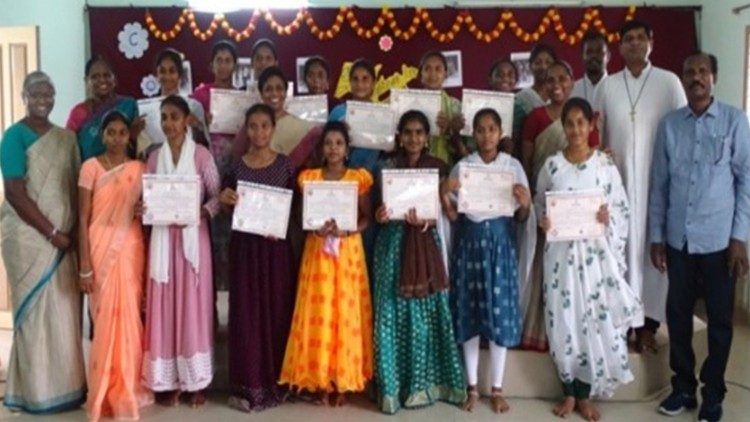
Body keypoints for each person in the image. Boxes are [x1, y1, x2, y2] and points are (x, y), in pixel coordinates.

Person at [650, 52, 750, 422]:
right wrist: (657, 236)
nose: (696, 77)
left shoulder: (734, 122)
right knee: (677, 317)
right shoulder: (670, 125)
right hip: (679, 242)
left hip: (720, 244)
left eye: (703, 71)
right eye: (689, 71)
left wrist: (739, 238)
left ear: (714, 77)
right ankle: (683, 388)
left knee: (720, 322)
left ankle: (714, 393)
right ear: (683, 78)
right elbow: (659, 185)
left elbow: (746, 184)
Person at [536, 98, 641, 421]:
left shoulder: (604, 166)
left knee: (590, 320)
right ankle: (568, 393)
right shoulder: (552, 166)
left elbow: (621, 208)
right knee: (562, 321)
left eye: (582, 122)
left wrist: (608, 217)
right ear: (563, 127)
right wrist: (545, 221)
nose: (576, 129)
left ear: (591, 125)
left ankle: (585, 395)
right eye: (570, 123)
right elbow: (542, 205)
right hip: (561, 259)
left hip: (595, 258)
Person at [593, 20, 687, 352]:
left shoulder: (669, 82)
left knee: (653, 256)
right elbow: (598, 138)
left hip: (657, 185)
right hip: (618, 187)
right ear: (619, 48)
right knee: (619, 256)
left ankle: (648, 325)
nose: (634, 44)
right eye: (627, 39)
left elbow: (682, 132)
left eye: (640, 38)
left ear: (651, 42)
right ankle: (621, 324)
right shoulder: (608, 86)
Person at [0, 71, 86, 413]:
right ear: (23, 95)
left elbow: (74, 188)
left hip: (64, 241)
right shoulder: (13, 136)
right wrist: (53, 234)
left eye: (48, 92)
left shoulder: (66, 139)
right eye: (36, 92)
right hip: (29, 239)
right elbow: (15, 193)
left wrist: (73, 237)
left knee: (64, 315)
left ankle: (67, 388)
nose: (43, 98)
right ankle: (33, 392)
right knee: (34, 317)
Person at [372, 110, 466, 414]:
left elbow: (449, 212)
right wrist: (380, 215)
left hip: (425, 244)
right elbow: (374, 210)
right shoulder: (385, 167)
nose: (413, 138)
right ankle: (391, 389)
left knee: (425, 315)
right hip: (391, 248)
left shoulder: (437, 168)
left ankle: (422, 386)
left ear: (427, 138)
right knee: (389, 312)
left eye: (419, 133)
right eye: (408, 132)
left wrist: (429, 219)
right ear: (399, 136)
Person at [442, 108, 532, 413]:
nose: (486, 135)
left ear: (501, 132)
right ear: (473, 133)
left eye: (492, 129)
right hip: (469, 247)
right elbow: (453, 215)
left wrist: (525, 203)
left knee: (499, 313)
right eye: (480, 129)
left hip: (500, 248)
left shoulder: (513, 166)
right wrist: (445, 192)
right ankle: (472, 389)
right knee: (469, 313)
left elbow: (522, 216)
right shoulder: (463, 167)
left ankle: (496, 388)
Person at [279, 122, 373, 407]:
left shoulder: (359, 178)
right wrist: (313, 229)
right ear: (321, 148)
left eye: (339, 143)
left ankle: (343, 380)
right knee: (318, 312)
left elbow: (366, 218)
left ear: (347, 149)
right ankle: (319, 380)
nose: (333, 148)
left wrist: (349, 230)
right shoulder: (309, 178)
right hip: (318, 251)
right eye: (328, 143)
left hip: (347, 253)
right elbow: (299, 217)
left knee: (344, 313)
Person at [141, 95, 220, 407]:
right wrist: (144, 208)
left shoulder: (201, 156)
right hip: (162, 243)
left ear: (187, 120)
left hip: (192, 244)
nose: (168, 123)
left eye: (174, 117)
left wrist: (202, 213)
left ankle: (194, 381)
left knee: (192, 307)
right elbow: (147, 199)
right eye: (164, 117)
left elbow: (216, 196)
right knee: (164, 307)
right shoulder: (152, 158)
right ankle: (168, 379)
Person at [219, 104, 297, 412]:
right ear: (246, 130)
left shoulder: (286, 166)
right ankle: (249, 383)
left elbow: (295, 209)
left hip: (275, 250)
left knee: (276, 311)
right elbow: (227, 208)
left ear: (273, 129)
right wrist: (226, 202)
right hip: (245, 250)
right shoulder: (235, 168)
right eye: (253, 126)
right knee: (247, 314)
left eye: (265, 126)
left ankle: (278, 381)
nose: (259, 132)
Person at [77, 111, 153, 421]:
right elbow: (82, 217)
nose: (118, 138)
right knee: (105, 316)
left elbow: (149, 209)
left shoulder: (140, 169)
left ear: (130, 136)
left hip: (130, 244)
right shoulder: (89, 168)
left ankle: (126, 386)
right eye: (112, 132)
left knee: (129, 314)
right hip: (98, 244)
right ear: (103, 135)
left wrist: (143, 208)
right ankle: (103, 387)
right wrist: (84, 265)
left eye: (123, 132)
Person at [233, 66, 321, 169]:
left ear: (285, 92)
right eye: (268, 89)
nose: (274, 93)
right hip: (255, 181)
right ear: (261, 94)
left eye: (279, 88)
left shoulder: (305, 129)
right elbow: (237, 159)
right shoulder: (250, 126)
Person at [66, 56, 140, 161]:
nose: (102, 80)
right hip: (90, 173)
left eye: (107, 75)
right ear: (86, 80)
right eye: (95, 77)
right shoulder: (78, 112)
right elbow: (69, 149)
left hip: (125, 172)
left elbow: (140, 145)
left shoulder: (129, 105)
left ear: (114, 78)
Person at [138, 48, 209, 153]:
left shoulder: (194, 106)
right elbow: (141, 150)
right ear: (156, 74)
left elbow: (204, 145)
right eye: (162, 71)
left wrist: (197, 126)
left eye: (172, 71)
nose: (167, 76)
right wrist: (136, 131)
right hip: (156, 162)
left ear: (179, 75)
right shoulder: (145, 109)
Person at [418, 50, 466, 166]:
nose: (433, 74)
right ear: (421, 75)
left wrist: (451, 129)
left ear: (445, 74)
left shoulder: (456, 106)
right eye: (427, 69)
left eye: (438, 69)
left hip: (447, 167)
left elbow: (464, 151)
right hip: (416, 168)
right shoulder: (410, 102)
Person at [513, 44, 557, 145]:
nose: (543, 66)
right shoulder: (520, 99)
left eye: (548, 62)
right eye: (538, 62)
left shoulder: (559, 97)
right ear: (530, 66)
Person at [488, 58, 520, 155]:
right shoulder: (481, 105)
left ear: (516, 81)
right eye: (499, 75)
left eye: (510, 75)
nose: (505, 79)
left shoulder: (520, 110)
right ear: (490, 80)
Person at [572, 32, 610, 105]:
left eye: (599, 51)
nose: (594, 56)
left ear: (608, 56)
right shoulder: (572, 90)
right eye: (589, 52)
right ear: (582, 56)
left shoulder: (617, 88)